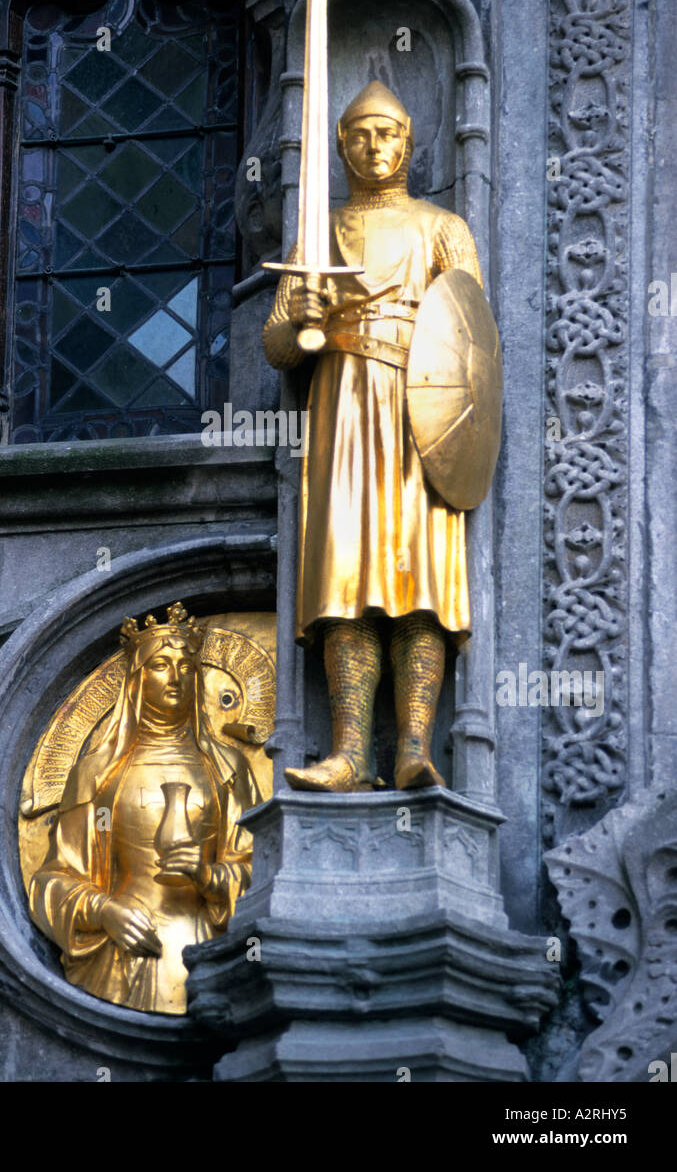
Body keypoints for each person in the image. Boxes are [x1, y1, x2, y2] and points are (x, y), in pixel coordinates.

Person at [263, 80, 484, 793]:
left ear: (409, 145)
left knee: (417, 579)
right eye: (359, 134)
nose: (374, 145)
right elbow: (278, 348)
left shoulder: (441, 227)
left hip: (423, 414)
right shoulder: (316, 232)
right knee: (344, 580)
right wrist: (303, 315)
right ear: (340, 145)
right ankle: (350, 750)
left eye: (387, 133)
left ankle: (413, 745)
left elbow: (473, 338)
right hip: (343, 408)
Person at [29, 603, 260, 1014]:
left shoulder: (227, 768)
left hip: (207, 946)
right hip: (124, 953)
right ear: (136, 681)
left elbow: (261, 866)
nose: (175, 677)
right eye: (160, 665)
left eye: (186, 666)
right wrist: (103, 910)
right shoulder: (98, 773)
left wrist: (210, 877)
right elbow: (53, 880)